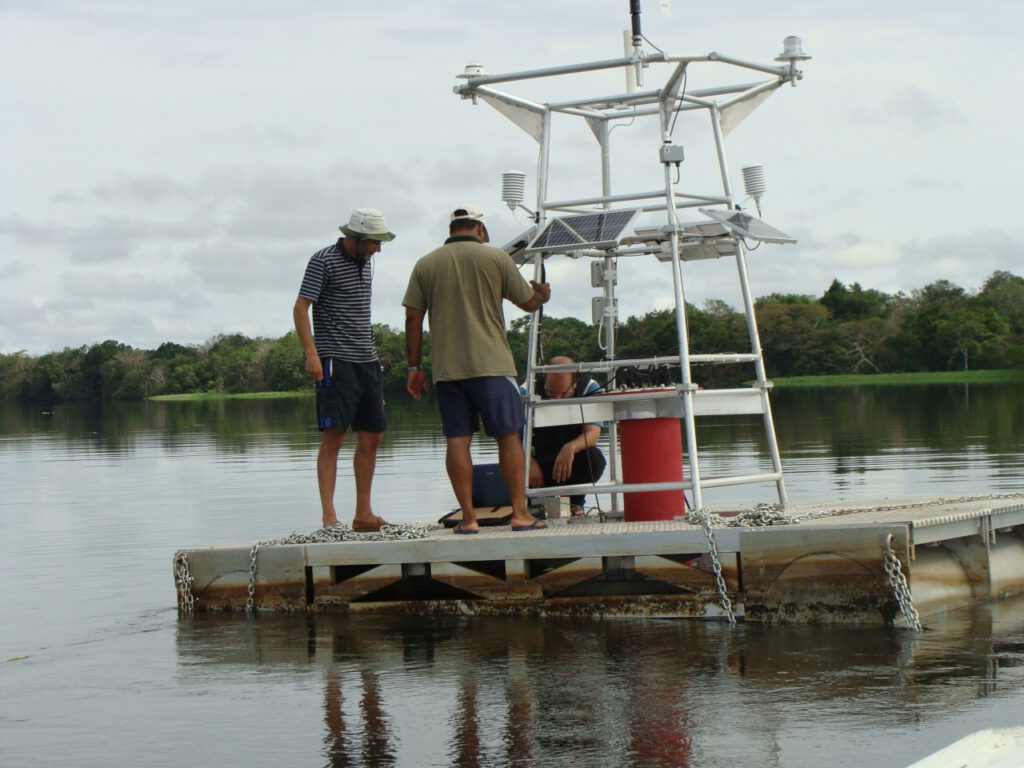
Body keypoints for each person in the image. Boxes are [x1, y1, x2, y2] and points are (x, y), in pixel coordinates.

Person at [403, 205, 551, 534]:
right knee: (508, 437)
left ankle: (468, 519)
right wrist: (542, 295)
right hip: (492, 365)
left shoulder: (425, 264)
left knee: (457, 440)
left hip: (447, 371)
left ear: (453, 229)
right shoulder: (496, 258)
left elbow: (413, 318)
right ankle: (519, 514)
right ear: (480, 230)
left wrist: (414, 367)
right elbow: (527, 302)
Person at [293, 207, 395, 530]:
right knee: (334, 437)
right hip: (335, 360)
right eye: (376, 242)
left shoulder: (367, 265)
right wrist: (311, 354)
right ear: (359, 237)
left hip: (368, 361)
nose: (379, 249)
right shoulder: (323, 261)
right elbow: (300, 308)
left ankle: (363, 513)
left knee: (372, 436)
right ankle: (329, 517)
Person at [525, 356, 606, 516]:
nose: (556, 399)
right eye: (551, 392)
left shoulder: (590, 387)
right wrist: (529, 460)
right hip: (539, 461)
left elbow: (593, 432)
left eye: (562, 394)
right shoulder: (527, 388)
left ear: (575, 384)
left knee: (594, 459)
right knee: (513, 461)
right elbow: (512, 436)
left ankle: (575, 503)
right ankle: (532, 505)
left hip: (570, 459)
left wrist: (571, 447)